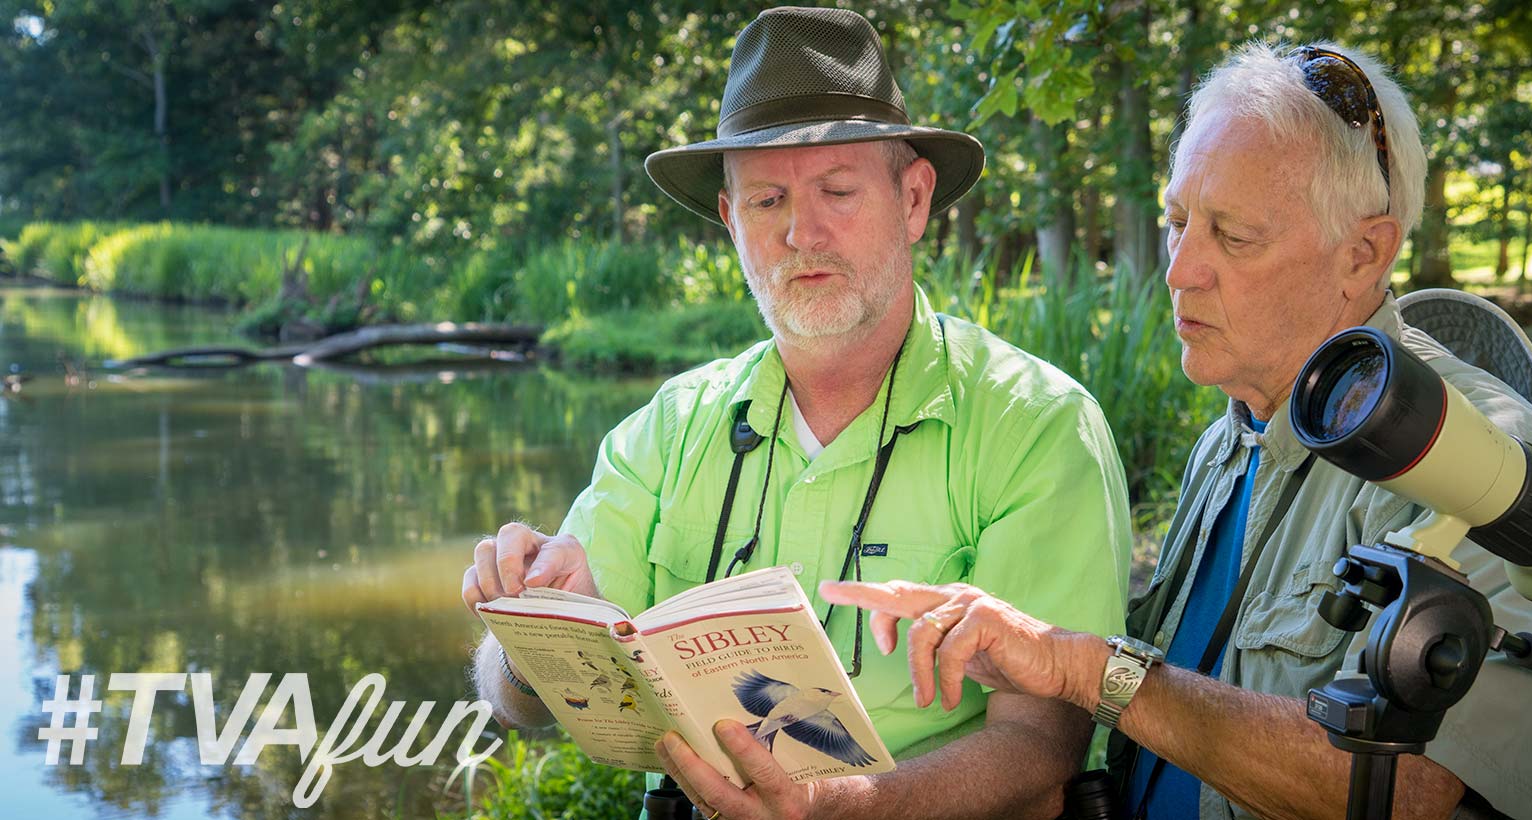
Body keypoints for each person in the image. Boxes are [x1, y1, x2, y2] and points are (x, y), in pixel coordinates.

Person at [823, 41, 1532, 820]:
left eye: (1233, 236)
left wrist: (1086, 668)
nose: (1180, 270)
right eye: (1176, 221)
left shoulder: (1483, 466)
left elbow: (1407, 792)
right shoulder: (1233, 435)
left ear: (1364, 254)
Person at [458, 8, 1133, 819]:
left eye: (837, 191)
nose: (800, 231)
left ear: (913, 198)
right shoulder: (666, 430)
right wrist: (530, 634)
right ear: (731, 220)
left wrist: (846, 807)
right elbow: (519, 704)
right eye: (767, 198)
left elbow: (1042, 747)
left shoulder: (1039, 426)